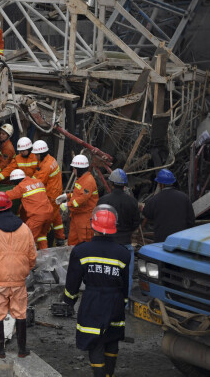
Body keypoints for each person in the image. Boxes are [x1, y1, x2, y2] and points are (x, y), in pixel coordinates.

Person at [63, 204, 131, 377]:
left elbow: (73, 281)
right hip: (115, 301)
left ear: (93, 225)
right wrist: (123, 302)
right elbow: (125, 284)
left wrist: (69, 301)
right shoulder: (123, 254)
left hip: (93, 301)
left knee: (95, 343)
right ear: (113, 228)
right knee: (112, 339)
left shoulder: (81, 251)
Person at [0, 192, 37, 359]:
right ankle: (23, 349)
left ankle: (0, 349)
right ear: (10, 205)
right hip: (19, 278)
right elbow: (32, 254)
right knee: (20, 313)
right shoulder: (24, 228)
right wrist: (26, 270)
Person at [98, 168, 140, 295]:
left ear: (111, 184)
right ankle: (123, 305)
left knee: (105, 276)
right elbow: (136, 223)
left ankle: (105, 301)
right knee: (126, 277)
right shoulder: (132, 202)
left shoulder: (103, 201)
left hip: (106, 245)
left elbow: (98, 222)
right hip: (125, 245)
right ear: (125, 185)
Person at [4, 169, 53, 249]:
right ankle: (45, 256)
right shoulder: (38, 182)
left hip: (37, 217)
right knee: (42, 235)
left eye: (13, 182)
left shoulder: (21, 187)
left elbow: (7, 196)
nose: (14, 185)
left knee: (27, 240)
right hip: (49, 213)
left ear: (16, 181)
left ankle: (28, 260)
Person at [142, 169, 195, 243]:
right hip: (181, 240)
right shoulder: (184, 197)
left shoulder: (155, 199)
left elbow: (146, 213)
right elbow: (191, 221)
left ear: (161, 184)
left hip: (162, 241)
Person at [57, 155, 99, 246]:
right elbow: (78, 195)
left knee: (85, 244)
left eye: (74, 169)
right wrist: (67, 196)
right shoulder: (81, 179)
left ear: (79, 169)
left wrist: (67, 205)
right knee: (72, 242)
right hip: (77, 216)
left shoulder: (88, 181)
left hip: (85, 218)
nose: (73, 171)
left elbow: (82, 199)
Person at [32, 140, 66, 246]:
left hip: (50, 197)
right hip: (55, 195)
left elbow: (37, 181)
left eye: (36, 155)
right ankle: (60, 238)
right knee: (56, 217)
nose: (35, 157)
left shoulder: (46, 166)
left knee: (43, 229)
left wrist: (25, 182)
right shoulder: (51, 159)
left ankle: (44, 251)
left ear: (41, 154)